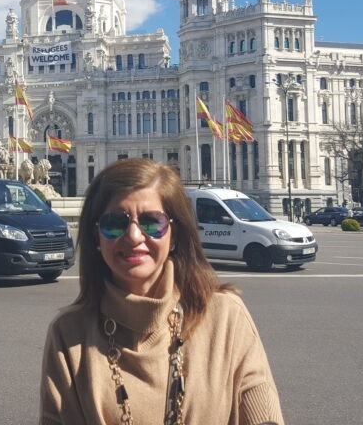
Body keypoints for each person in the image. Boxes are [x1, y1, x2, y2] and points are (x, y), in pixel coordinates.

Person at [40, 158, 284, 424]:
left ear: (175, 233)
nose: (133, 236)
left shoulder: (227, 319)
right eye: (114, 223)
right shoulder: (69, 335)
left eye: (151, 222)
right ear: (96, 236)